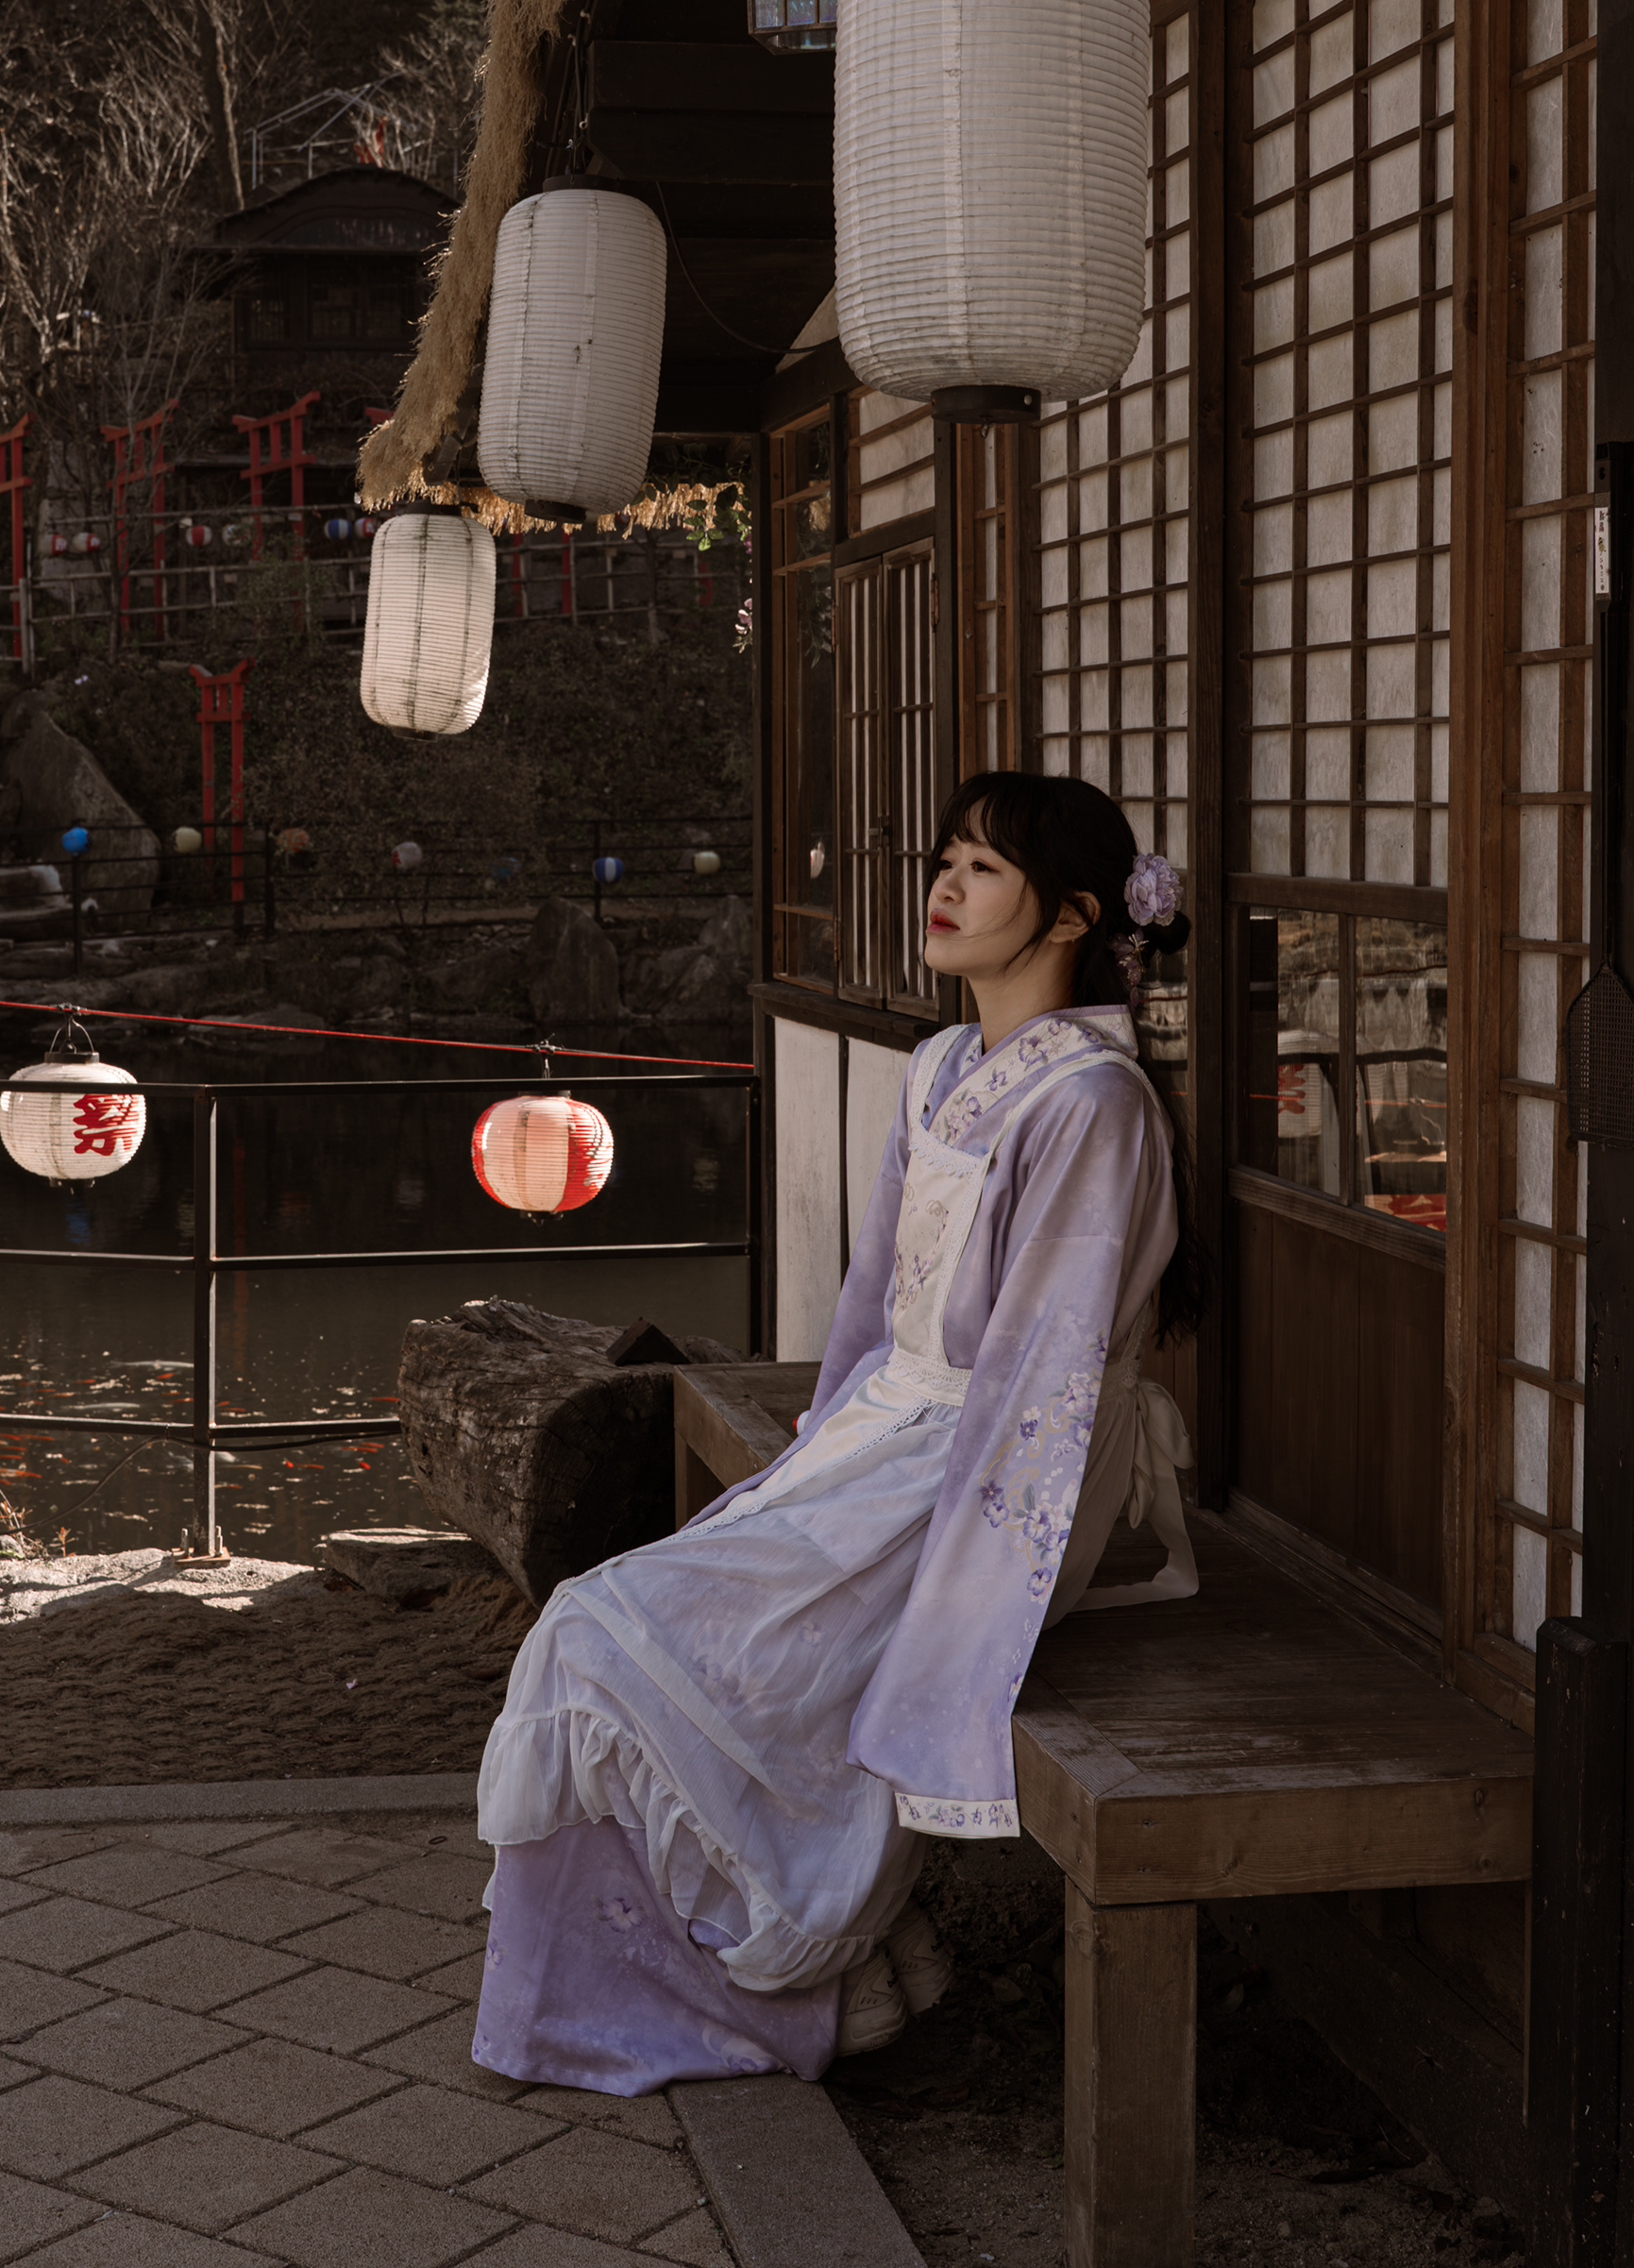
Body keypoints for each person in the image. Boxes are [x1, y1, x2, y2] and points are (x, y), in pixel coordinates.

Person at [472, 770, 1208, 2093]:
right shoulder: (941, 1069)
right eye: (947, 859)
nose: (946, 887)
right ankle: (775, 1957)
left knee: (614, 1632)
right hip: (892, 1429)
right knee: (617, 1626)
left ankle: (800, 1964)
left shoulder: (1092, 1104)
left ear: (1072, 917)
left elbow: (1041, 1373)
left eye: (984, 869)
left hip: (1003, 1468)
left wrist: (971, 1578)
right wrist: (816, 1457)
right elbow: (873, 1299)